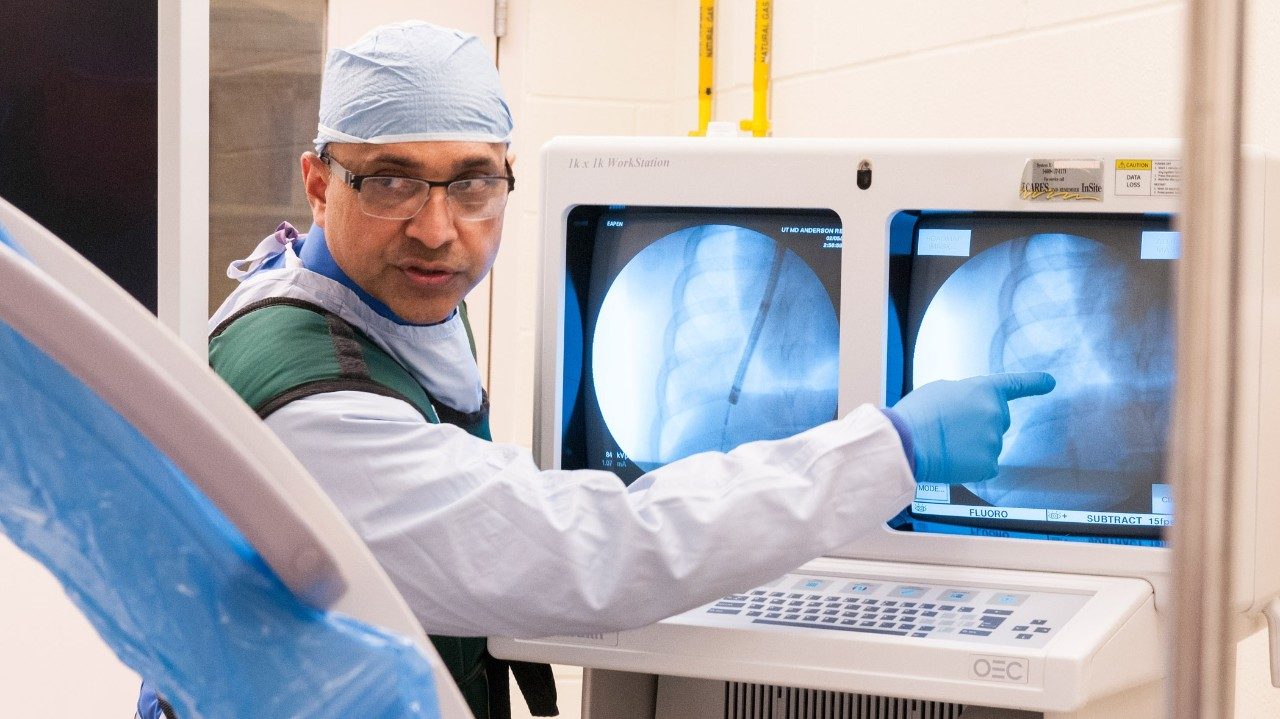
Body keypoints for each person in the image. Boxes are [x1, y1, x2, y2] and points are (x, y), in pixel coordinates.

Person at [139, 20, 1053, 719]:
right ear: (316, 182)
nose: (436, 228)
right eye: (389, 180)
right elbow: (595, 550)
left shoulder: (355, 294)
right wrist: (889, 447)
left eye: (471, 181)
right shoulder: (319, 408)